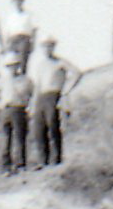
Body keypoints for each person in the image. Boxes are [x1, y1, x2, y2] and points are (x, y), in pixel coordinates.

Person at [32, 35, 82, 166]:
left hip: (53, 94)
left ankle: (56, 158)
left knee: (53, 125)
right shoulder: (40, 65)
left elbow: (77, 73)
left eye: (50, 46)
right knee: (39, 129)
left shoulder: (60, 62)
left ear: (53, 47)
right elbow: (37, 86)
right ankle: (42, 160)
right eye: (44, 47)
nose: (47, 49)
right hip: (41, 97)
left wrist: (65, 90)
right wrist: (33, 103)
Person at [0, 49, 33, 172]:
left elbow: (31, 94)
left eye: (14, 65)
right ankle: (6, 165)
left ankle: (20, 164)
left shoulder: (25, 80)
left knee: (19, 137)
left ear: (18, 66)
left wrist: (28, 106)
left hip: (19, 109)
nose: (11, 68)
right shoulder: (2, 80)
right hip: (5, 109)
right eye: (9, 66)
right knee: (5, 138)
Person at [3, 0, 36, 68]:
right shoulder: (10, 16)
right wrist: (6, 44)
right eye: (16, 2)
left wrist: (33, 43)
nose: (17, 4)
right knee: (11, 59)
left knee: (23, 59)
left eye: (19, 1)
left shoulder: (28, 14)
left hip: (24, 38)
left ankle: (22, 73)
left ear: (22, 2)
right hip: (12, 39)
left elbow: (34, 30)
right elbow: (7, 31)